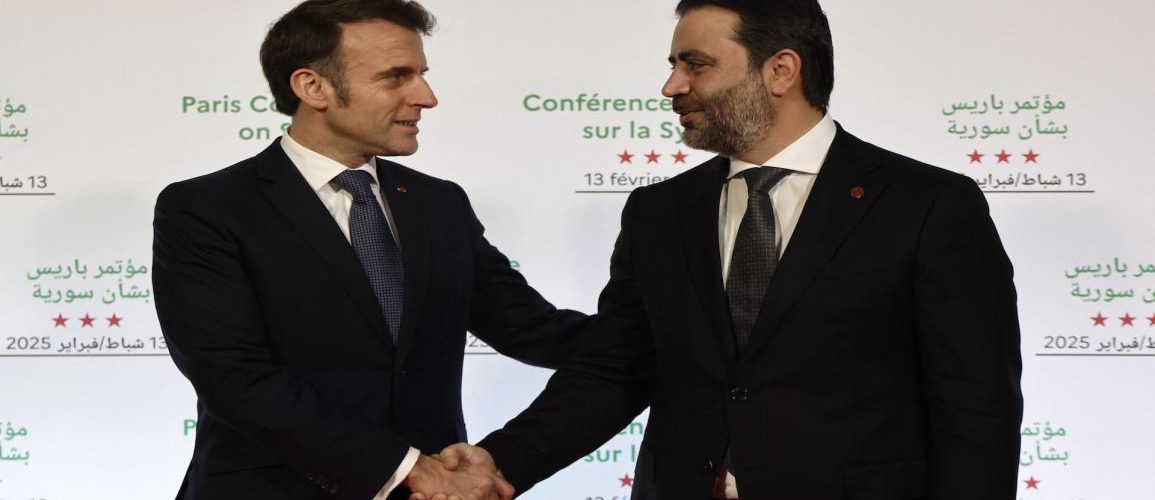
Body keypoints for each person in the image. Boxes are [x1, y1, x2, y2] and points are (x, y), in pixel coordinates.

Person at [431, 1, 1023, 499]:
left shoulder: (927, 204)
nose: (672, 86)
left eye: (696, 64)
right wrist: (503, 464)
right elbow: (615, 368)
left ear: (781, 70)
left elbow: (976, 406)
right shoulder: (659, 212)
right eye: (673, 65)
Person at [151, 1, 587, 499]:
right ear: (313, 87)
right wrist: (408, 468)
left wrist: (649, 335)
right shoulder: (209, 208)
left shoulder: (438, 203)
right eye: (396, 77)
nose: (426, 97)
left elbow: (533, 329)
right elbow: (236, 378)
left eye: (421, 75)